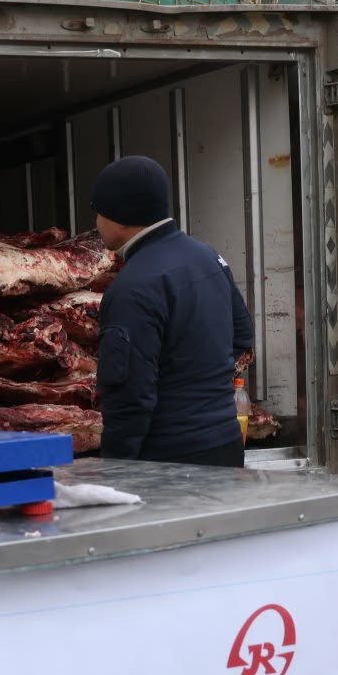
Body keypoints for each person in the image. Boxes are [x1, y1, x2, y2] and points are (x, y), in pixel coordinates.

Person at [89, 155, 254, 467]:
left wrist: (115, 467)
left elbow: (129, 395)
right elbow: (242, 335)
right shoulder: (208, 257)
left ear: (121, 217)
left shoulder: (132, 286)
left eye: (98, 211)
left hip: (169, 459)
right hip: (226, 444)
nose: (96, 222)